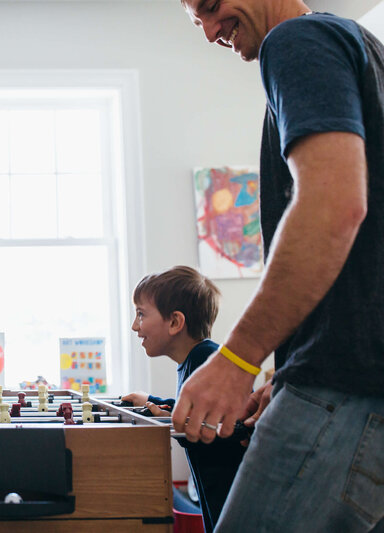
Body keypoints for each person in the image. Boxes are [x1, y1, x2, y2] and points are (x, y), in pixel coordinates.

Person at [172, 1, 384, 531]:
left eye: (212, 6)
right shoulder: (362, 48)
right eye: (197, 20)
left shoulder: (296, 43)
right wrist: (285, 368)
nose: (211, 33)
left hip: (341, 395)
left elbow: (334, 207)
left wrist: (237, 361)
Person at [122, 266, 245, 532]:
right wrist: (153, 401)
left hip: (233, 498)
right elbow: (199, 409)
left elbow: (227, 423)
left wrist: (172, 415)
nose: (135, 326)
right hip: (215, 495)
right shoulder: (196, 361)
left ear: (176, 322)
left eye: (141, 314)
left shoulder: (206, 360)